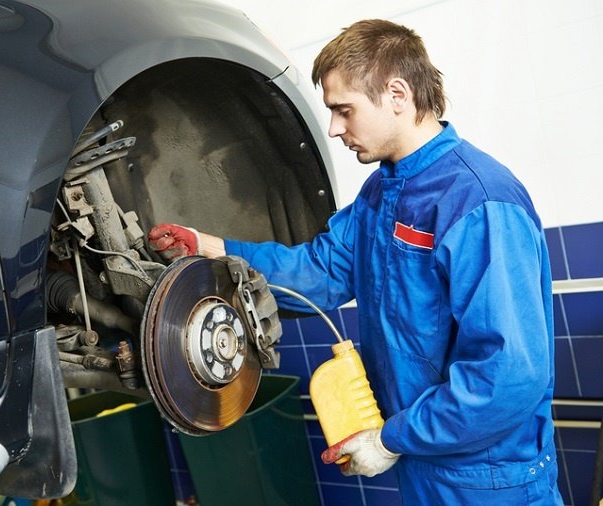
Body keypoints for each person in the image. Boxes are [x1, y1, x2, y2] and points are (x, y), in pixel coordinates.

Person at [148, 19, 562, 505]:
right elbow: (320, 272)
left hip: (490, 478)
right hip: (428, 466)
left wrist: (391, 439)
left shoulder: (480, 202)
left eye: (344, 110)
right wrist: (213, 249)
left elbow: (507, 374)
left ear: (397, 94)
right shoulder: (381, 193)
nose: (334, 128)